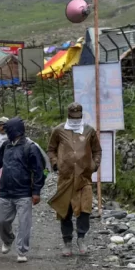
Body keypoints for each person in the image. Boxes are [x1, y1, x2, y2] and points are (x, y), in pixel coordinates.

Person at [0, 117, 45, 263]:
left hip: (24, 193)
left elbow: (39, 170)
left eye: (8, 130)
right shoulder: (6, 145)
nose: (6, 132)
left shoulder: (30, 147)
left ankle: (22, 250)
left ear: (15, 130)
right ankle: (8, 239)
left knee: (24, 223)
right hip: (6, 191)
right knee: (2, 221)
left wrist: (36, 192)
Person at [47, 102, 102, 256]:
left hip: (84, 178)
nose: (76, 119)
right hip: (65, 178)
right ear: (68, 115)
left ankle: (81, 238)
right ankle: (67, 241)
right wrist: (55, 163)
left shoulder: (89, 130)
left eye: (78, 116)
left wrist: (94, 165)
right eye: (73, 116)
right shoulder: (59, 130)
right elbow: (51, 149)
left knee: (85, 208)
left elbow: (97, 150)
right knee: (65, 210)